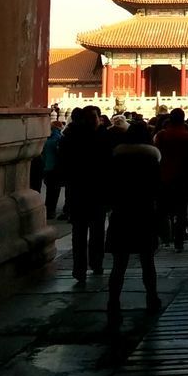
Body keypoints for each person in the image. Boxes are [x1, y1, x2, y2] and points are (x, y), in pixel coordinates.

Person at [105, 122, 163, 314]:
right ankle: (152, 297)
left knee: (119, 264)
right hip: (144, 213)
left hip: (122, 214)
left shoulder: (116, 159)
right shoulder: (152, 160)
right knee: (148, 261)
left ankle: (113, 302)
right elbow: (158, 189)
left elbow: (110, 187)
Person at [58, 108, 110, 282]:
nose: (94, 120)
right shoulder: (100, 137)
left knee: (87, 232)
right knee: (87, 232)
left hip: (88, 191)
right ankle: (87, 265)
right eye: (92, 117)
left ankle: (88, 265)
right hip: (87, 191)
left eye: (95, 117)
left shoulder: (71, 137)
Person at [154, 108, 188, 252]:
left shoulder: (162, 135)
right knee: (181, 211)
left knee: (162, 211)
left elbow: (156, 155)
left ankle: (162, 237)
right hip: (182, 178)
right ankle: (179, 242)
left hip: (164, 177)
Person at [41, 118, 64, 219]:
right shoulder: (59, 139)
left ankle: (47, 209)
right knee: (54, 191)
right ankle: (51, 211)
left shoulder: (46, 139)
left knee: (49, 190)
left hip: (46, 167)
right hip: (56, 168)